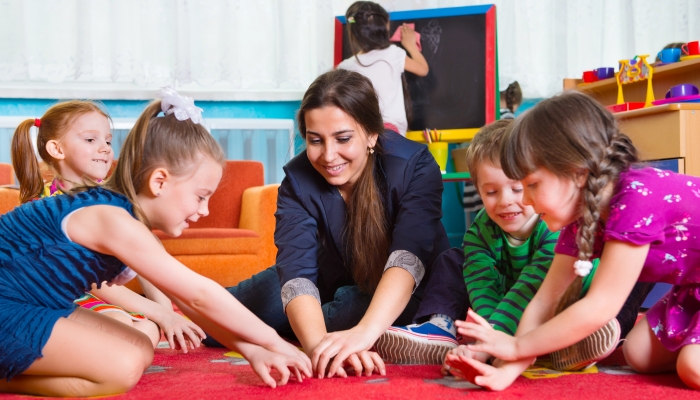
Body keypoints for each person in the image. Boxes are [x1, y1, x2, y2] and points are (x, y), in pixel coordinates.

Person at [0, 89, 311, 397]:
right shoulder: (112, 218)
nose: (204, 211)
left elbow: (189, 302)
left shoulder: (122, 214)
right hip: (9, 305)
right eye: (201, 197)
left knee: (140, 346)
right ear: (159, 181)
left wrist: (251, 350)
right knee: (123, 366)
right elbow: (201, 295)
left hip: (32, 303)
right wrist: (275, 341)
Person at [203, 68, 450, 379]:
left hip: (403, 289)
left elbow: (408, 256)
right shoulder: (297, 178)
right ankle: (151, 309)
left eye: (343, 138)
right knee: (218, 322)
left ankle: (367, 329)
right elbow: (296, 271)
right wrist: (319, 348)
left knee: (348, 313)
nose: (328, 156)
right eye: (315, 140)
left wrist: (363, 333)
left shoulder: (415, 164)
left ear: (372, 134)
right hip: (326, 275)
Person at [453, 91, 700, 391]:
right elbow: (545, 299)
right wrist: (507, 370)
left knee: (692, 367)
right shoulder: (581, 217)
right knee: (638, 354)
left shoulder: (637, 199)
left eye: (531, 185)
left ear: (577, 173)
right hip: (692, 289)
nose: (526, 199)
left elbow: (601, 305)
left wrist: (517, 347)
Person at [375, 119, 650, 369]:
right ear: (478, 189)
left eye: (517, 189)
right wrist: (489, 335)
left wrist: (494, 341)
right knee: (452, 258)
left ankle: (583, 337)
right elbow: (483, 288)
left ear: (535, 182)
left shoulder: (554, 224)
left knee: (625, 279)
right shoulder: (480, 232)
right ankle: (439, 327)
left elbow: (531, 286)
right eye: (491, 192)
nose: (505, 201)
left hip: (569, 299)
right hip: (513, 305)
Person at [11, 100, 204, 351]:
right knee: (121, 324)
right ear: (56, 149)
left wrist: (166, 316)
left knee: (146, 330)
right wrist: (161, 314)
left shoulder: (109, 202)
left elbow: (144, 256)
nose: (104, 148)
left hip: (87, 298)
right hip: (50, 298)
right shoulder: (52, 207)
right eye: (91, 140)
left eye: (108, 141)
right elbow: (94, 283)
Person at [337, 1, 429, 136]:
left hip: (360, 133)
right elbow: (423, 69)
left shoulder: (344, 67)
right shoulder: (392, 54)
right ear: (385, 27)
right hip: (390, 132)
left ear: (353, 31)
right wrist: (411, 46)